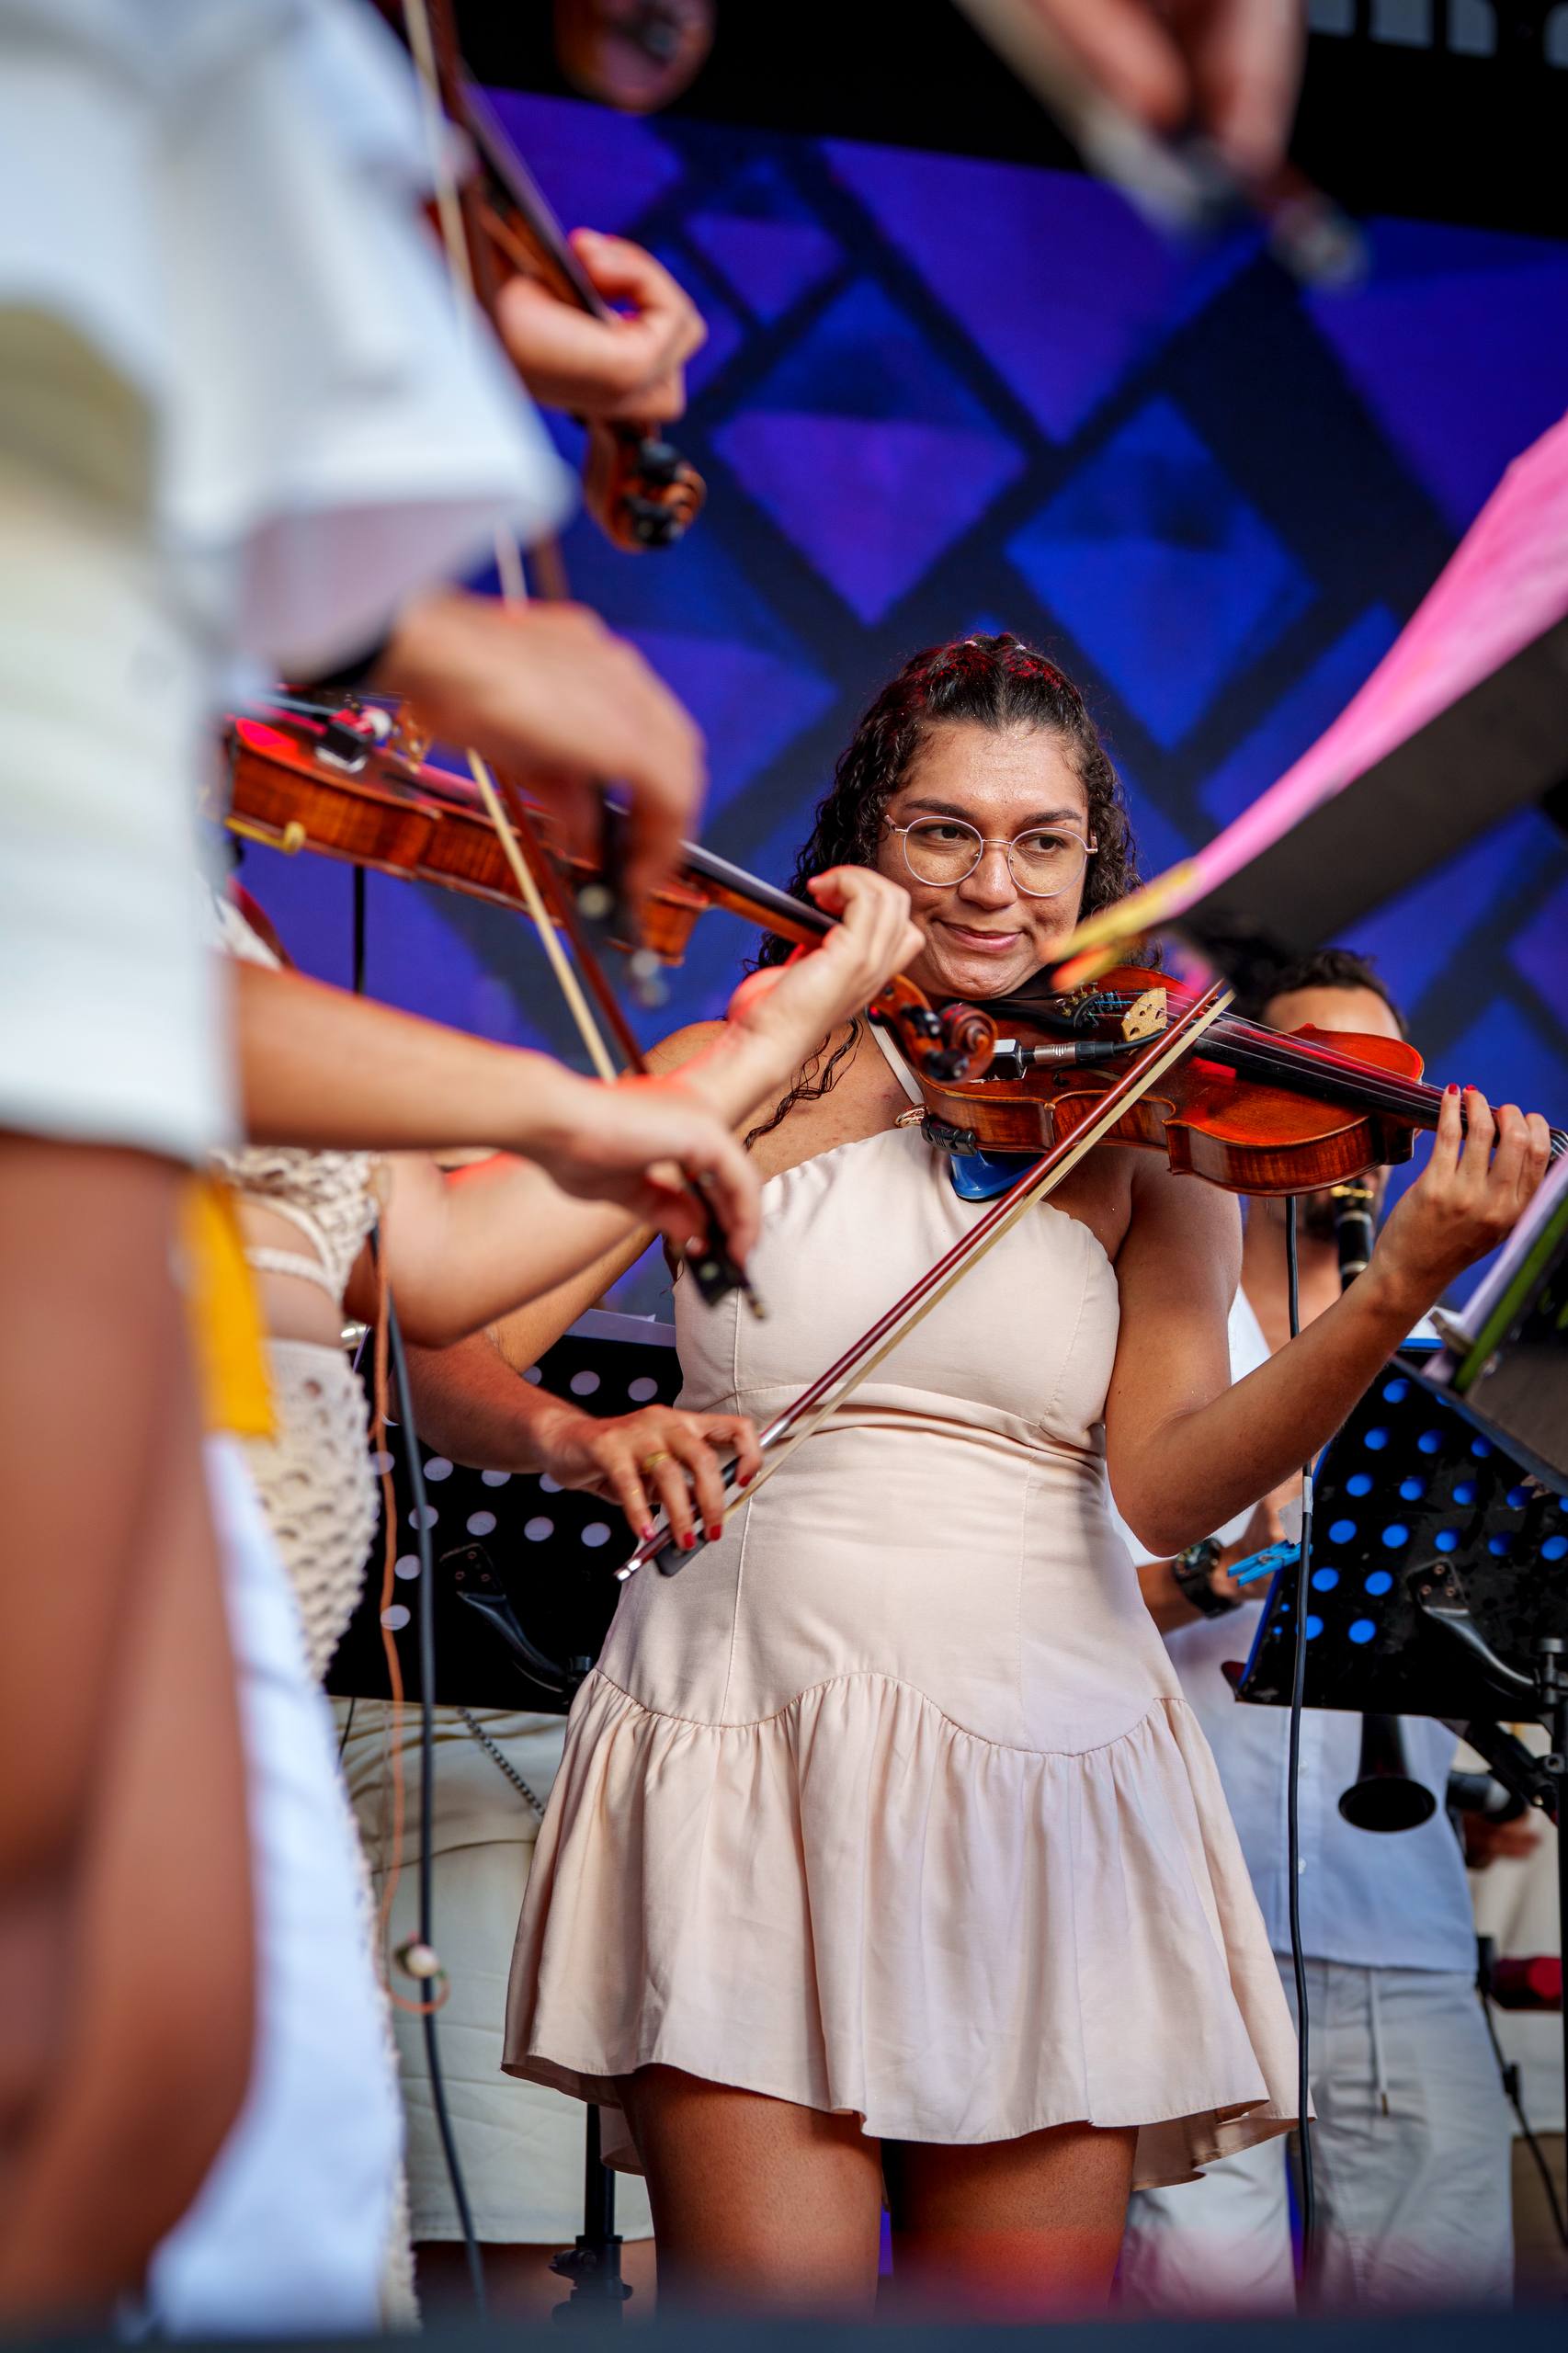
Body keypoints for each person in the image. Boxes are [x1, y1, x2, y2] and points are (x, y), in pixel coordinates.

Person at [461, 633, 1548, 2319]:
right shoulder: (744, 1071)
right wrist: (577, 1436)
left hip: (1051, 1752)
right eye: (943, 832)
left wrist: (1391, 1289)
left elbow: (1170, 1492)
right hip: (748, 1721)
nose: (994, 886)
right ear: (864, 843)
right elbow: (452, 1332)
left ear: (1093, 869)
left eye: (1042, 843)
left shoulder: (1148, 1125)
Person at [1118, 948, 1516, 2313]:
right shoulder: (1157, 1329)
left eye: (1385, 1092)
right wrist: (1220, 1575)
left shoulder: (1453, 1358)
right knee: (1198, 2295)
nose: (1353, 1125)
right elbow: (1054, 1609)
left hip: (1397, 1909)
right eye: (1316, 1077)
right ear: (1240, 1097)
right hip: (1180, 1902)